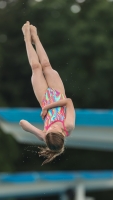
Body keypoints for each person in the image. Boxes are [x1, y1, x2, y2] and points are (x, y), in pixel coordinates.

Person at [20, 21, 75, 165]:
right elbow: (68, 101)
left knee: (36, 67)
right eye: (56, 129)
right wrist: (47, 108)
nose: (53, 127)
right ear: (63, 134)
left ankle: (26, 39)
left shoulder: (46, 135)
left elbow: (22, 123)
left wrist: (39, 133)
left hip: (44, 97)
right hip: (58, 94)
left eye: (50, 129)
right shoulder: (68, 125)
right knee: (46, 65)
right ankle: (35, 38)